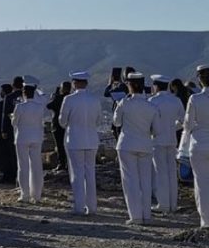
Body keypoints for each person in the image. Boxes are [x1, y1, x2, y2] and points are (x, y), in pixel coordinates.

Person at [113, 71, 158, 225]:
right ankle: (147, 215)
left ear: (129, 85)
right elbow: (156, 130)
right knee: (145, 181)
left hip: (127, 144)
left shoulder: (125, 103)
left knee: (130, 181)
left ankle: (135, 216)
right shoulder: (151, 106)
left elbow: (117, 122)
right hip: (145, 145)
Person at [58, 70, 102, 216]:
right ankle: (92, 207)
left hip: (75, 140)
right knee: (90, 173)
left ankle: (79, 206)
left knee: (76, 174)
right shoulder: (95, 99)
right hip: (91, 140)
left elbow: (62, 122)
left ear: (74, 83)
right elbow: (98, 121)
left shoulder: (69, 99)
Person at [148, 74, 184, 213]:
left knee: (160, 172)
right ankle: (173, 204)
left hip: (157, 140)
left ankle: (163, 203)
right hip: (171, 139)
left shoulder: (152, 101)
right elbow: (182, 121)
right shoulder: (176, 101)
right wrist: (171, 128)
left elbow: (149, 123)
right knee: (171, 172)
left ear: (155, 86)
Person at [12, 75, 49, 203]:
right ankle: (37, 194)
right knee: (37, 166)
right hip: (37, 137)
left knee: (23, 166)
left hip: (22, 137)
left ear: (23, 93)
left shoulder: (20, 107)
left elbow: (14, 123)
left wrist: (13, 118)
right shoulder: (39, 107)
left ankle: (25, 194)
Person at [184, 64, 209, 228]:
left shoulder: (195, 99)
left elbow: (188, 124)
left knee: (201, 183)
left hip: (199, 144)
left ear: (200, 80)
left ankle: (206, 220)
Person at [0, 76, 23, 184]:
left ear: (13, 85)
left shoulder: (9, 97)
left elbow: (5, 114)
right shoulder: (26, 96)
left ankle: (13, 176)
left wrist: (3, 130)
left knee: (12, 154)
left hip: (11, 129)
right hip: (24, 128)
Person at [46, 81, 72, 171]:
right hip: (69, 125)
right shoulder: (71, 98)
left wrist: (53, 97)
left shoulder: (58, 98)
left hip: (57, 125)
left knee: (60, 146)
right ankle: (69, 164)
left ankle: (62, 164)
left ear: (63, 88)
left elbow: (49, 106)